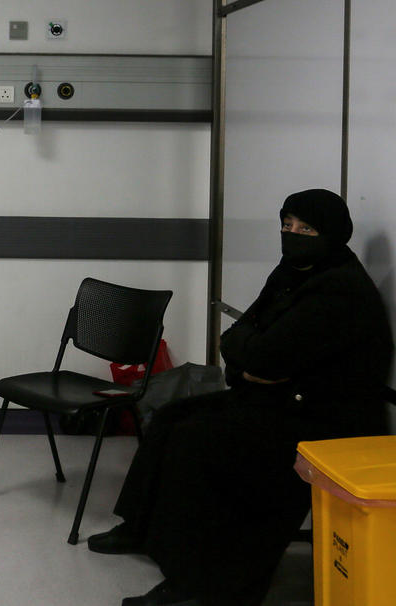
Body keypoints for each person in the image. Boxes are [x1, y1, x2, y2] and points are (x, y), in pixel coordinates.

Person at [87, 188, 393, 606]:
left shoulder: (338, 289)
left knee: (201, 446)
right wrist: (249, 366)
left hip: (324, 420)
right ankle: (140, 529)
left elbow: (264, 354)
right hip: (277, 399)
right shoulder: (292, 272)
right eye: (287, 225)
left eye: (306, 228)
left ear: (334, 234)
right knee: (171, 418)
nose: (293, 234)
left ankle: (199, 585)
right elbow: (237, 337)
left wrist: (255, 362)